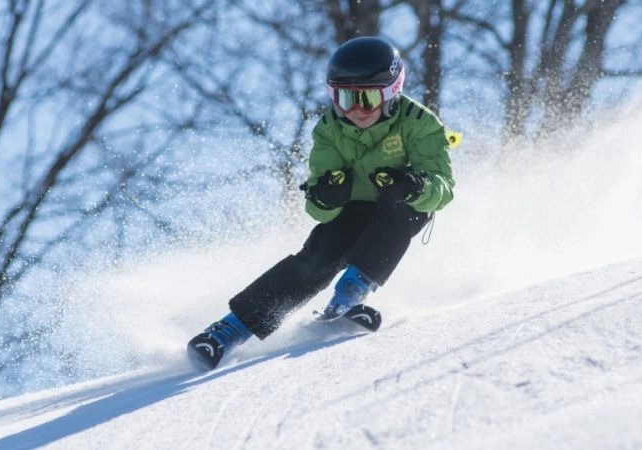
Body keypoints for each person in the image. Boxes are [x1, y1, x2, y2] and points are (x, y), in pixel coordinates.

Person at [187, 36, 455, 371]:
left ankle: (350, 294)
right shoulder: (329, 129)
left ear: (391, 93)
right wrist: (326, 196)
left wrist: (415, 186)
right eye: (344, 98)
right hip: (353, 208)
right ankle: (229, 331)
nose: (355, 110)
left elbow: (443, 188)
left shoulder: (419, 122)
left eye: (367, 98)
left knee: (404, 211)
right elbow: (317, 207)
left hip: (400, 204)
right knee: (319, 255)